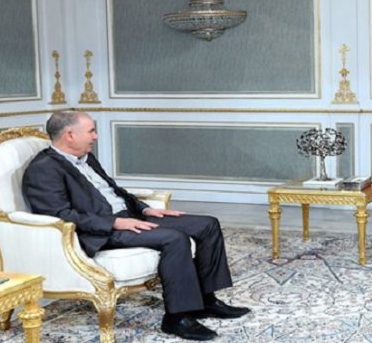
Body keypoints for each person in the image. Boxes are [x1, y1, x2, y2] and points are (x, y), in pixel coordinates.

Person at [23, 111, 249, 341]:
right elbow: (59, 215)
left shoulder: (86, 158)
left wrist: (145, 209)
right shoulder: (44, 168)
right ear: (70, 135)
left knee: (207, 225)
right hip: (102, 230)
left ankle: (206, 301)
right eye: (91, 131)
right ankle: (177, 318)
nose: (96, 136)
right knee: (174, 238)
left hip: (129, 216)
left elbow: (114, 192)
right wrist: (115, 222)